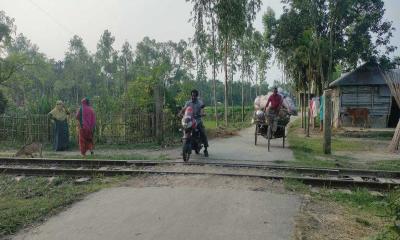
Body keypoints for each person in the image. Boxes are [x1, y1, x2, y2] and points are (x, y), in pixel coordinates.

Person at [180, 89, 209, 157]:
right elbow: (184, 109)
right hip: (189, 120)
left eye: (194, 96)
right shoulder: (188, 103)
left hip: (197, 120)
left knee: (202, 132)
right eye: (192, 95)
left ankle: (206, 148)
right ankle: (184, 147)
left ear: (197, 96)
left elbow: (202, 110)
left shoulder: (200, 103)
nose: (193, 97)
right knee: (184, 129)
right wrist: (180, 113)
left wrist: (202, 113)